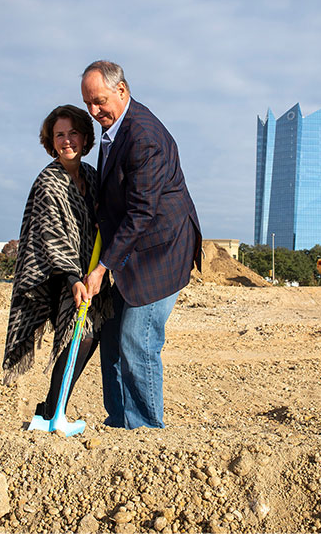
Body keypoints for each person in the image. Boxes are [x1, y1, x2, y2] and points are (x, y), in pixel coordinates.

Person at [81, 60, 202, 429]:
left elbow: (141, 213)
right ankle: (120, 422)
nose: (94, 110)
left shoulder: (143, 135)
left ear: (122, 90)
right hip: (134, 250)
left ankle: (145, 429)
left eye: (100, 101)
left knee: (138, 338)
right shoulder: (114, 129)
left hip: (161, 249)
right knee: (113, 337)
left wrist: (102, 268)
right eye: (88, 103)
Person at [2, 104, 111, 426]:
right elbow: (50, 236)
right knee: (81, 333)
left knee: (85, 336)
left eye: (73, 133)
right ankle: (53, 412)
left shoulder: (91, 175)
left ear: (85, 137)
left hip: (87, 272)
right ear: (51, 141)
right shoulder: (49, 181)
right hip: (54, 273)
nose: (67, 141)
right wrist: (72, 279)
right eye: (59, 135)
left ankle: (51, 408)